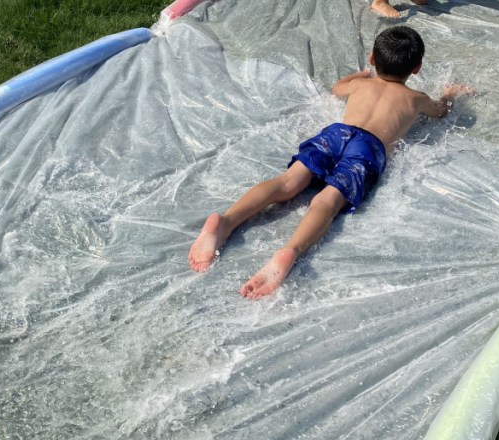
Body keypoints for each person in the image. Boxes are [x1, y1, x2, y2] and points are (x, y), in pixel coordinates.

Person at [187, 26, 474, 299]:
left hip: (336, 134)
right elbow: (440, 112)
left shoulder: (362, 85)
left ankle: (225, 221)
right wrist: (449, 95)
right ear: (416, 68)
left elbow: (338, 88)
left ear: (373, 59)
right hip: (368, 148)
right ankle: (289, 251)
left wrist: (360, 74)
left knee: (287, 182)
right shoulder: (415, 98)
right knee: (327, 201)